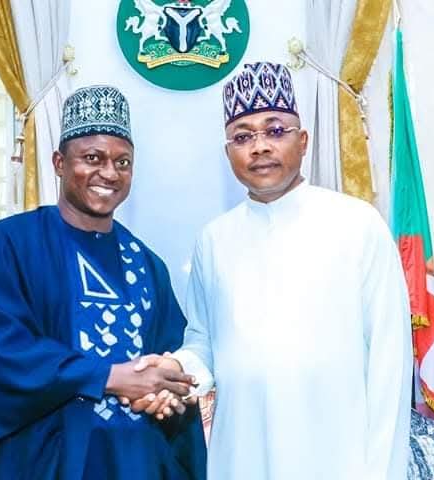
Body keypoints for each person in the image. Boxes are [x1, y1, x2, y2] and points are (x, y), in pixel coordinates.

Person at [134, 62, 412, 479]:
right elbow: (205, 343)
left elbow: (391, 366)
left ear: (303, 141)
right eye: (243, 136)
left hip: (338, 458)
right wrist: (174, 372)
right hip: (243, 455)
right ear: (228, 152)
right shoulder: (214, 239)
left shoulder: (357, 224)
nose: (260, 146)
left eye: (275, 130)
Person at [0, 85, 207, 479]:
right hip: (42, 464)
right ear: (59, 162)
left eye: (123, 162)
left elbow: (171, 360)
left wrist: (165, 392)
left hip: (136, 465)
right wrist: (109, 377)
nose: (109, 173)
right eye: (93, 158)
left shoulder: (148, 264)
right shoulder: (7, 246)